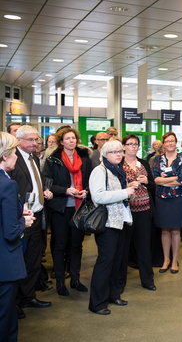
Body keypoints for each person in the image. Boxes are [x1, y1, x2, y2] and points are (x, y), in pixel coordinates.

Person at [88, 140, 136, 315]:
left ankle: (113, 294)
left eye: (120, 151)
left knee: (118, 261)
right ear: (105, 154)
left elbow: (115, 191)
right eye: (114, 152)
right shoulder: (99, 171)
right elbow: (98, 196)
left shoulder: (117, 170)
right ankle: (97, 303)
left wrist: (128, 187)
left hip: (121, 221)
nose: (119, 154)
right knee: (106, 262)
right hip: (107, 223)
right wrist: (125, 192)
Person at [8, 125, 52, 315]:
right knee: (20, 260)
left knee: (34, 258)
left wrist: (43, 191)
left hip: (37, 215)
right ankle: (15, 302)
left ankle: (28, 296)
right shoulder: (12, 160)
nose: (35, 143)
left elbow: (34, 183)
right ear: (19, 140)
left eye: (36, 140)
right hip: (21, 218)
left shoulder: (34, 157)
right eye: (31, 140)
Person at [43, 127, 92, 296]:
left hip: (80, 207)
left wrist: (86, 190)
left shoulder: (84, 157)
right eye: (67, 138)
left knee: (76, 245)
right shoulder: (53, 159)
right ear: (61, 141)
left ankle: (75, 279)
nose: (71, 141)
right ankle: (60, 283)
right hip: (61, 207)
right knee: (60, 245)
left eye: (73, 138)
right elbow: (47, 184)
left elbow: (90, 179)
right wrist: (65, 190)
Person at [0, 132, 35, 341]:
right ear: (5, 156)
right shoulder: (7, 185)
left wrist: (15, 214)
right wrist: (24, 222)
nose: (16, 157)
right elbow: (12, 232)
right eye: (14, 153)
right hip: (5, 262)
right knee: (6, 317)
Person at [120, 134, 156, 291]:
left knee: (144, 246)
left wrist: (147, 182)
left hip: (144, 209)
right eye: (129, 144)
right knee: (123, 246)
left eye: (135, 144)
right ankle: (119, 282)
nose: (133, 146)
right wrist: (129, 184)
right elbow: (114, 187)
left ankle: (147, 279)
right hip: (126, 210)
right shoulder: (118, 164)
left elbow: (153, 185)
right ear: (124, 147)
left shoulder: (143, 163)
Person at [152, 132, 182, 274]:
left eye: (172, 141)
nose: (170, 143)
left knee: (175, 230)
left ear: (176, 142)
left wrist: (164, 180)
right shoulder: (157, 159)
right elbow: (155, 179)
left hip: (178, 198)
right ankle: (166, 260)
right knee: (164, 230)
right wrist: (171, 179)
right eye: (167, 141)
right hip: (161, 198)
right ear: (164, 143)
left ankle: (174, 261)